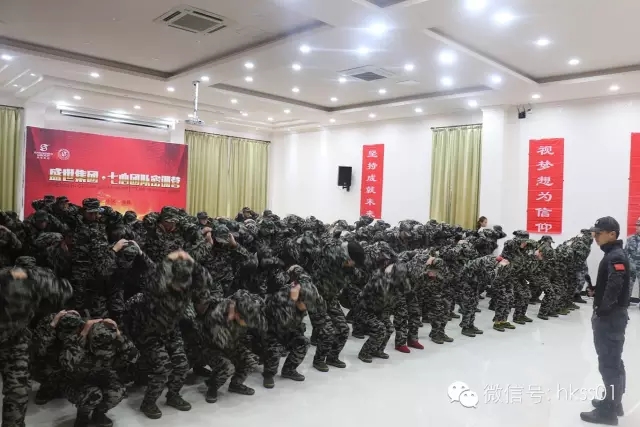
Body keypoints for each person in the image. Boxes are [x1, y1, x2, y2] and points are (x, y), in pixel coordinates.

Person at [580, 217, 630, 425]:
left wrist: (602, 310)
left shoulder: (615, 256)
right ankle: (614, 402)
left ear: (612, 234)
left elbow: (615, 286)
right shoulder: (613, 254)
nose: (595, 237)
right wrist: (597, 291)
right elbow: (610, 284)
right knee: (614, 361)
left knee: (609, 363)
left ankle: (609, 412)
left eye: (598, 233)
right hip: (613, 316)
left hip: (610, 318)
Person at [624, 217, 640, 303]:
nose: (636, 227)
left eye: (639, 225)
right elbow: (625, 253)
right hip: (631, 268)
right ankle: (625, 302)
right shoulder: (630, 239)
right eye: (636, 225)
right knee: (627, 286)